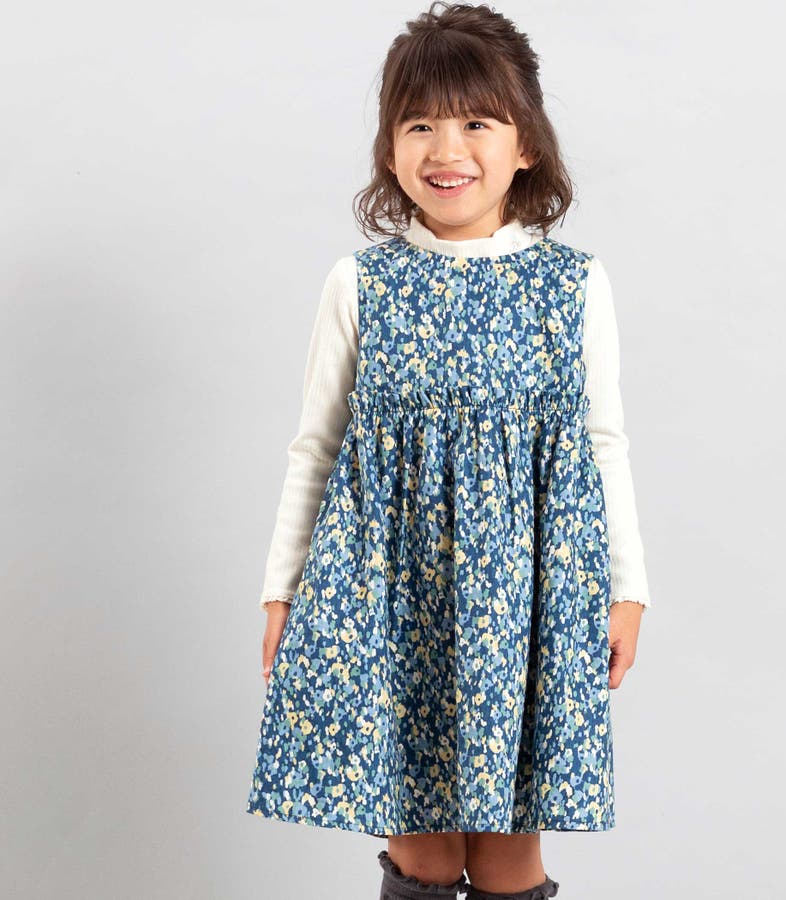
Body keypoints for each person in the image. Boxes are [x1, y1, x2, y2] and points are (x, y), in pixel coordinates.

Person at [246, 3, 652, 898]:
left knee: (507, 848)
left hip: (526, 596)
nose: (446, 149)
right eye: (420, 125)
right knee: (422, 847)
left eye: (476, 123)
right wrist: (283, 590)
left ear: (526, 144)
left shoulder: (572, 284)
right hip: (392, 591)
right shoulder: (361, 283)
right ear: (390, 150)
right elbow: (315, 448)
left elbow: (603, 441)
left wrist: (628, 588)